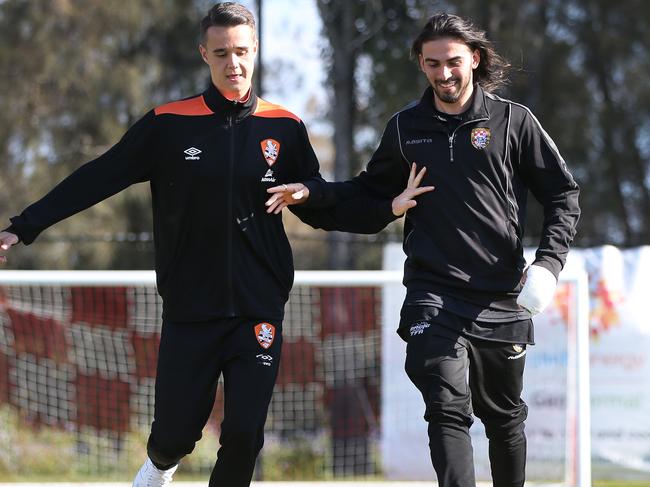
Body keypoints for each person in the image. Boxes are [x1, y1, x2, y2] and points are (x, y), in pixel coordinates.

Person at [0, 3, 424, 486]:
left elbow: (322, 204)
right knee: (175, 434)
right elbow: (98, 178)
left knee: (245, 434)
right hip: (191, 310)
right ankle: (160, 466)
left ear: (256, 49)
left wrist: (388, 206)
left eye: (241, 51)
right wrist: (24, 226)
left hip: (259, 307)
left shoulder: (284, 127)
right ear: (205, 53)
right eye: (221, 53)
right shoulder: (168, 123)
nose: (233, 63)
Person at [266, 12, 580, 487]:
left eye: (453, 61)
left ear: (474, 59)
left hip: (501, 298)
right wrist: (314, 195)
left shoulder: (515, 122)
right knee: (446, 407)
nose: (444, 73)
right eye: (432, 63)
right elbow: (366, 195)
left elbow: (563, 195)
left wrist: (549, 265)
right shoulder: (405, 128)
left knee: (504, 418)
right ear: (420, 64)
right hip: (432, 295)